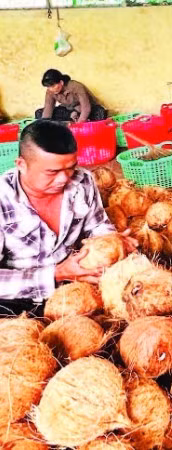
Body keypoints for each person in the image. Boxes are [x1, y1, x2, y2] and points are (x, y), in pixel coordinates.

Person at [0, 120, 136, 316]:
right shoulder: (3, 199)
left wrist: (112, 242)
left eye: (70, 167)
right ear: (21, 165)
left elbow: (98, 226)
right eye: (52, 172)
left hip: (80, 287)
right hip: (20, 297)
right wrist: (55, 274)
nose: (64, 179)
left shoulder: (82, 181)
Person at [35, 69, 107, 122]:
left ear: (61, 82)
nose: (51, 89)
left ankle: (79, 120)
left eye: (53, 86)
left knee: (100, 112)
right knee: (39, 113)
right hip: (69, 111)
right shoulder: (50, 91)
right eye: (48, 87)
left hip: (86, 109)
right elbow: (48, 109)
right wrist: (44, 125)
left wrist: (79, 124)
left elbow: (86, 107)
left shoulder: (76, 86)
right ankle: (69, 122)